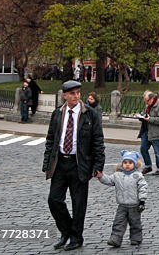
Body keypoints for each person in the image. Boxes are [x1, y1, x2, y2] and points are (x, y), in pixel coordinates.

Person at [43, 80, 106, 251]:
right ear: (64, 95)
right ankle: (66, 230)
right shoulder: (57, 113)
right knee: (54, 200)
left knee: (79, 204)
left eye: (78, 93)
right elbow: (51, 139)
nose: (76, 96)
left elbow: (98, 141)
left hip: (80, 164)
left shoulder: (90, 114)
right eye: (72, 93)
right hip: (60, 163)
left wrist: (98, 165)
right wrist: (47, 162)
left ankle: (76, 237)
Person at [99, 150, 147, 248]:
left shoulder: (138, 176)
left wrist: (142, 201)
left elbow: (143, 188)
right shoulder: (117, 175)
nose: (127, 165)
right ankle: (115, 238)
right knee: (118, 222)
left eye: (130, 163)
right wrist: (101, 176)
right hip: (122, 205)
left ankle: (136, 238)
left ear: (134, 164)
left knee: (135, 223)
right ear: (122, 164)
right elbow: (109, 180)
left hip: (134, 205)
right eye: (125, 163)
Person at [135, 91, 159, 175]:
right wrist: (141, 116)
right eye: (145, 101)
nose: (146, 102)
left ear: (152, 99)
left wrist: (149, 119)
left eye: (147, 100)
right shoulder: (148, 106)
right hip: (146, 131)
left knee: (157, 151)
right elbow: (146, 115)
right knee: (143, 149)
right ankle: (148, 166)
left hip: (155, 132)